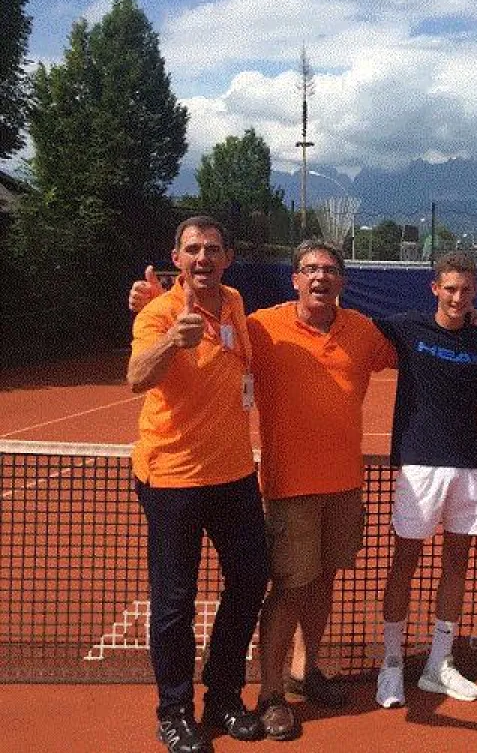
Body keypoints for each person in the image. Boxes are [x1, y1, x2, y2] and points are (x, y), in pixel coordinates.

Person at [129, 240, 398, 740]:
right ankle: (267, 695)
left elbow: (415, 353)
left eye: (330, 270)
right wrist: (156, 307)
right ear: (295, 279)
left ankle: (301, 672)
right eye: (310, 269)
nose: (320, 277)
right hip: (275, 483)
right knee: (280, 589)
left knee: (317, 583)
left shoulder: (356, 329)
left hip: (339, 484)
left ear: (342, 280)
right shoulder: (263, 325)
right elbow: (143, 370)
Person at [127, 216, 270, 753]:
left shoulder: (234, 301)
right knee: (174, 603)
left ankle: (224, 695)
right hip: (173, 479)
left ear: (227, 257)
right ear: (177, 258)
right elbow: (136, 377)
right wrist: (172, 341)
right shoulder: (158, 313)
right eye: (192, 250)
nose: (202, 257)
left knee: (250, 580)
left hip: (234, 475)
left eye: (212, 249)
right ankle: (174, 712)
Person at [372, 252, 477, 709]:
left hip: (467, 464)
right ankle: (391, 664)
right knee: (405, 562)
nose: (458, 298)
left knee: (457, 563)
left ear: (475, 292)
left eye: (466, 290)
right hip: (419, 465)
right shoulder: (407, 327)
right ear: (435, 288)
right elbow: (354, 329)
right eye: (450, 289)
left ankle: (439, 664)